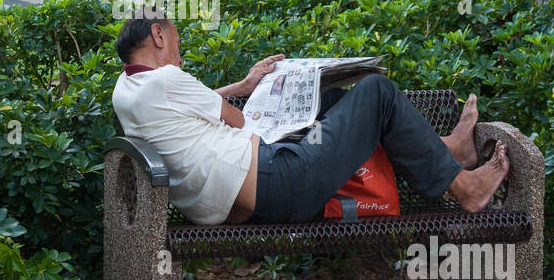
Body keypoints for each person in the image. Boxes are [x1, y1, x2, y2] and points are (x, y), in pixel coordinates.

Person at [111, 15, 510, 226]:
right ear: (158, 35)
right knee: (376, 93)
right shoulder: (167, 78)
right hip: (283, 181)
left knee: (334, 100)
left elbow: (193, 106)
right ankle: (465, 189)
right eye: (178, 42)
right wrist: (265, 105)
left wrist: (249, 84)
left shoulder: (128, 89)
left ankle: (447, 149)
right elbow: (235, 119)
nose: (181, 53)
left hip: (258, 189)